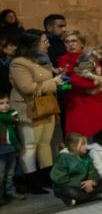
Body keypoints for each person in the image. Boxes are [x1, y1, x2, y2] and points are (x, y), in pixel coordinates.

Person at [10, 30, 65, 193]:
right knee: (30, 146)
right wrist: (53, 82)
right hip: (29, 109)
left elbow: (48, 83)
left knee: (44, 144)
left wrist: (63, 82)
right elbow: (27, 88)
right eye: (44, 41)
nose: (47, 44)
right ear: (33, 44)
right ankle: (31, 181)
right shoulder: (19, 63)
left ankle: (46, 177)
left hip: (46, 107)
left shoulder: (39, 60)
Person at [57, 31, 102, 138]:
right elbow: (62, 85)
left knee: (100, 136)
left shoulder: (89, 57)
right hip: (76, 103)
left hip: (95, 101)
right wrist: (73, 85)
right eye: (67, 42)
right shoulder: (62, 61)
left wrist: (101, 77)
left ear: (82, 44)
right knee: (80, 137)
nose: (71, 44)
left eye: (74, 41)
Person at [51, 132, 102, 207]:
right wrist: (82, 185)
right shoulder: (63, 158)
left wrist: (91, 181)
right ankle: (98, 196)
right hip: (70, 186)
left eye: (86, 143)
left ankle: (76, 199)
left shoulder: (85, 156)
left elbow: (93, 171)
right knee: (72, 192)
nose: (86, 146)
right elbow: (60, 178)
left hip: (86, 186)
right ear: (73, 146)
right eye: (83, 144)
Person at [0, 93, 24, 202]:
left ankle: (10, 192)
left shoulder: (12, 113)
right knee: (0, 174)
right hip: (1, 150)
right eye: (1, 103)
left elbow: (14, 119)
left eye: (7, 103)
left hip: (12, 148)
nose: (5, 105)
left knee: (10, 173)